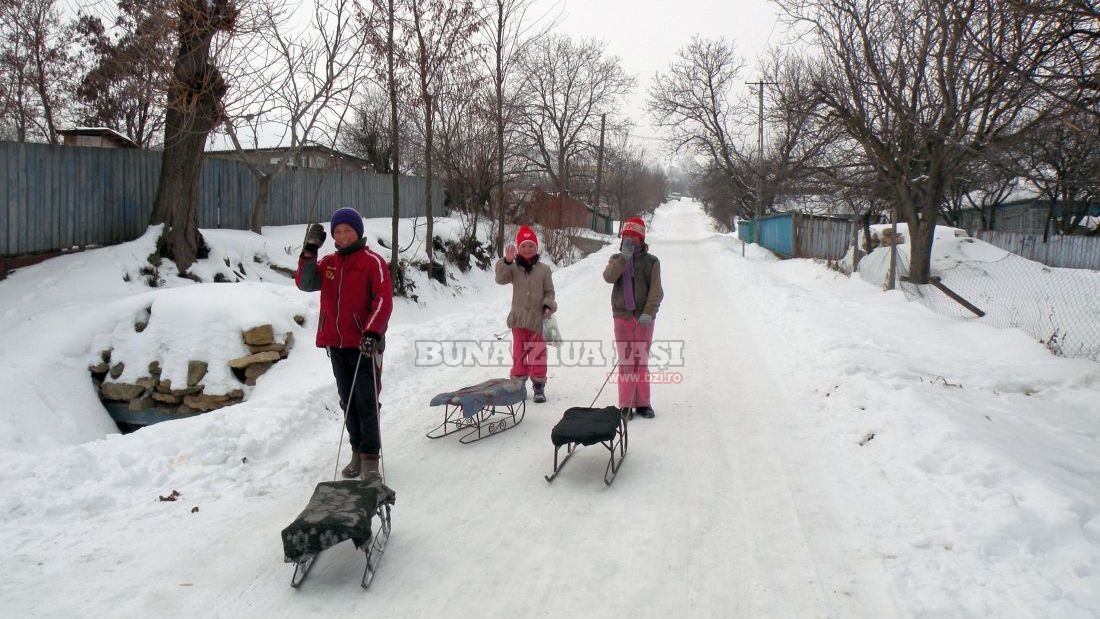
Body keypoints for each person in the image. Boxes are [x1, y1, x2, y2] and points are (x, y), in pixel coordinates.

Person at [296, 207, 393, 480]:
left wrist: (372, 333)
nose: (342, 236)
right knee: (347, 401)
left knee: (366, 400)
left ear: (358, 231)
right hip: (336, 345)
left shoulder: (373, 262)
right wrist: (308, 253)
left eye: (348, 230)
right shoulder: (328, 263)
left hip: (365, 344)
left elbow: (383, 300)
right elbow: (305, 283)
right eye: (337, 232)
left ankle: (370, 458)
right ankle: (356, 452)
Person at [603, 216, 663, 419]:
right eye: (626, 235)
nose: (629, 239)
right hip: (622, 316)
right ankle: (626, 404)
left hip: (644, 319)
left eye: (633, 236)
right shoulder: (615, 259)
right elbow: (609, 277)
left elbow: (656, 291)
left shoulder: (652, 262)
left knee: (641, 360)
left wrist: (648, 312)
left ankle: (643, 403)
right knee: (627, 362)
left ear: (641, 238)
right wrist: (623, 259)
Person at [495, 225, 557, 403]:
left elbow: (549, 292)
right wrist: (506, 261)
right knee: (519, 353)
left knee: (538, 354)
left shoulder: (544, 270)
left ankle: (538, 386)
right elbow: (500, 279)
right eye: (523, 246)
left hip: (538, 320)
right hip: (519, 320)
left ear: (536, 248)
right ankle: (518, 385)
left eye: (531, 245)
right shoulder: (513, 268)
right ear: (518, 249)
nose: (527, 249)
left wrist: (548, 306)